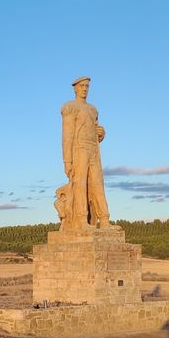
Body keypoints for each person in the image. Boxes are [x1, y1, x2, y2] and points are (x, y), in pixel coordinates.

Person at [60, 76, 113, 230]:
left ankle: (104, 219)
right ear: (75, 88)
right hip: (79, 148)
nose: (84, 89)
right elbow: (67, 136)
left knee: (98, 184)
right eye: (82, 86)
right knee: (80, 183)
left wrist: (101, 133)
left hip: (93, 150)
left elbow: (95, 131)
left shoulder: (93, 109)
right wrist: (67, 161)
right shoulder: (70, 107)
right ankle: (81, 219)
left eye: (87, 86)